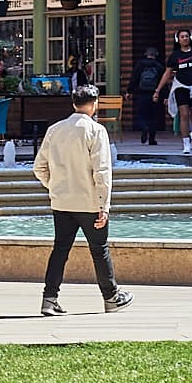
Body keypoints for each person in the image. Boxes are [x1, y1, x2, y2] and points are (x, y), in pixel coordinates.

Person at [32, 85, 132, 315]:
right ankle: (111, 296)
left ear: (73, 103)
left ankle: (49, 299)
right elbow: (102, 171)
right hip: (89, 203)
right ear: (95, 103)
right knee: (99, 250)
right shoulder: (96, 131)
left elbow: (39, 167)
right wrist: (103, 205)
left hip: (61, 202)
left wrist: (54, 186)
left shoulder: (55, 130)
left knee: (60, 249)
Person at [161, 34, 192, 154]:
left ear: (190, 38)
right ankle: (185, 142)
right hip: (181, 86)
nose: (185, 38)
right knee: (184, 115)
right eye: (182, 37)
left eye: (187, 36)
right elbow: (167, 73)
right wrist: (158, 90)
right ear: (178, 40)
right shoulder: (175, 55)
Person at [133, 45, 163, 148]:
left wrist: (129, 91)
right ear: (156, 55)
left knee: (141, 114)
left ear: (146, 54)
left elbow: (134, 78)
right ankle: (152, 139)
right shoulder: (159, 66)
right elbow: (163, 82)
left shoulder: (140, 65)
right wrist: (164, 95)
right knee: (153, 116)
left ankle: (144, 127)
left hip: (141, 93)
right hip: (154, 94)